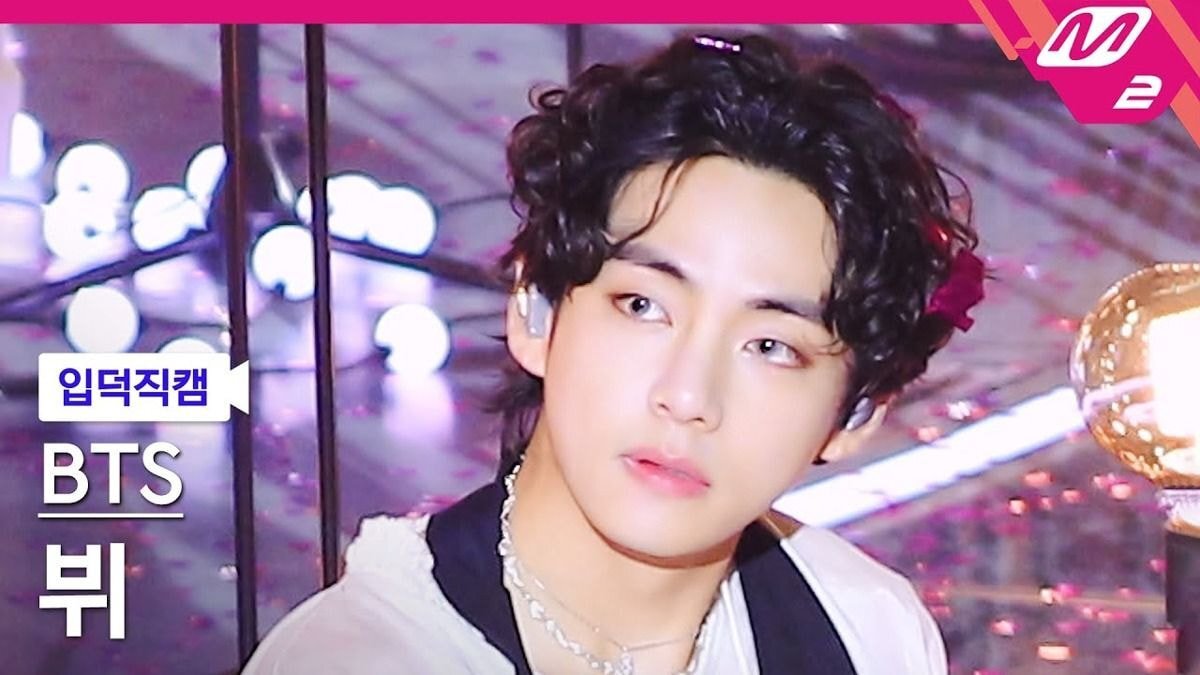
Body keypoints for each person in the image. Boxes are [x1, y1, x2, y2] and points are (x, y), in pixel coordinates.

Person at [243, 31, 984, 675]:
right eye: (643, 306)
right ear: (535, 307)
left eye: (769, 346)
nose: (687, 397)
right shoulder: (363, 658)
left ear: (855, 414)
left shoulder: (867, 630)